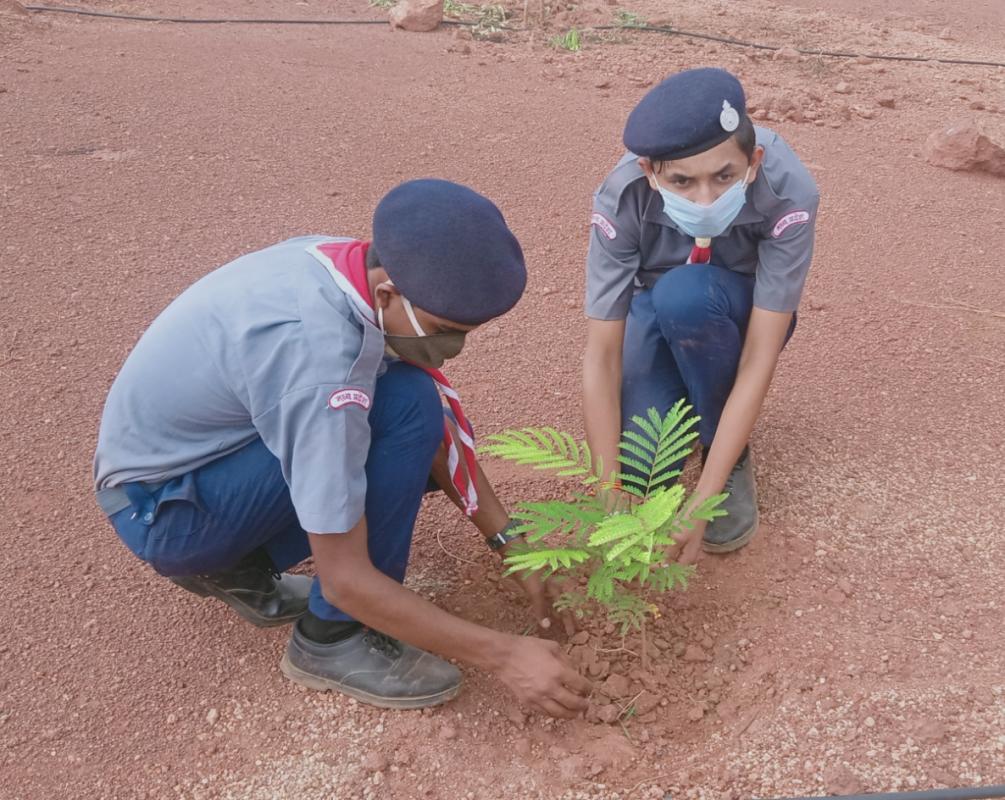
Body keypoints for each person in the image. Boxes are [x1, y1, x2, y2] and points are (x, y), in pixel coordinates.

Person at [94, 179, 591, 718]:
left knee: (408, 400)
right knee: (406, 409)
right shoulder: (322, 362)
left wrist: (513, 546)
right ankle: (333, 638)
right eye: (445, 329)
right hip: (165, 513)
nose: (453, 349)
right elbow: (344, 579)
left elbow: (438, 432)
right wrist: (504, 655)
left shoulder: (345, 268)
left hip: (196, 463)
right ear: (388, 294)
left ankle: (235, 567)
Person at [583, 67, 820, 562]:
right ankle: (688, 398)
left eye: (724, 176)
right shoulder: (622, 196)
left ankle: (723, 449)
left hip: (737, 312)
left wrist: (705, 496)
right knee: (642, 468)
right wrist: (608, 487)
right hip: (654, 308)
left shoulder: (788, 191)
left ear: (753, 162)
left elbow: (759, 354)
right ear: (650, 172)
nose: (705, 198)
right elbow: (602, 354)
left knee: (686, 296)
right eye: (682, 181)